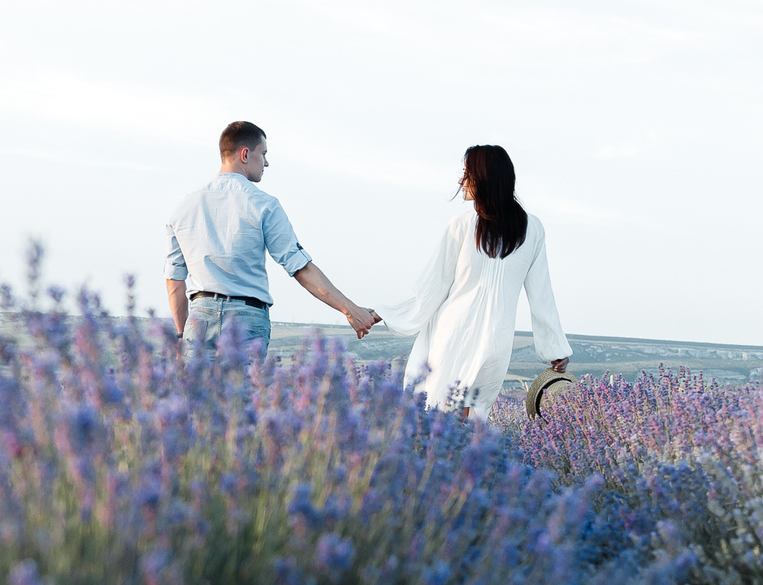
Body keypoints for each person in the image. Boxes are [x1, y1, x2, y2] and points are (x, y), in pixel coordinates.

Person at [372, 144, 569, 419]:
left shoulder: (463, 226)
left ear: (486, 178)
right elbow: (542, 295)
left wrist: (387, 313)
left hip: (453, 335)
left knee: (439, 418)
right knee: (473, 419)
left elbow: (432, 288)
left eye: (467, 173)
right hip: (498, 339)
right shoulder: (532, 229)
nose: (460, 181)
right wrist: (554, 348)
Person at [164, 121, 378, 355]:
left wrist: (181, 334)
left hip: (199, 317)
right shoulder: (264, 205)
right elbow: (301, 269)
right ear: (245, 154)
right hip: (247, 319)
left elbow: (174, 280)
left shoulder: (182, 207)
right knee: (243, 392)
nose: (266, 162)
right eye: (263, 154)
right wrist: (350, 310)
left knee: (199, 392)